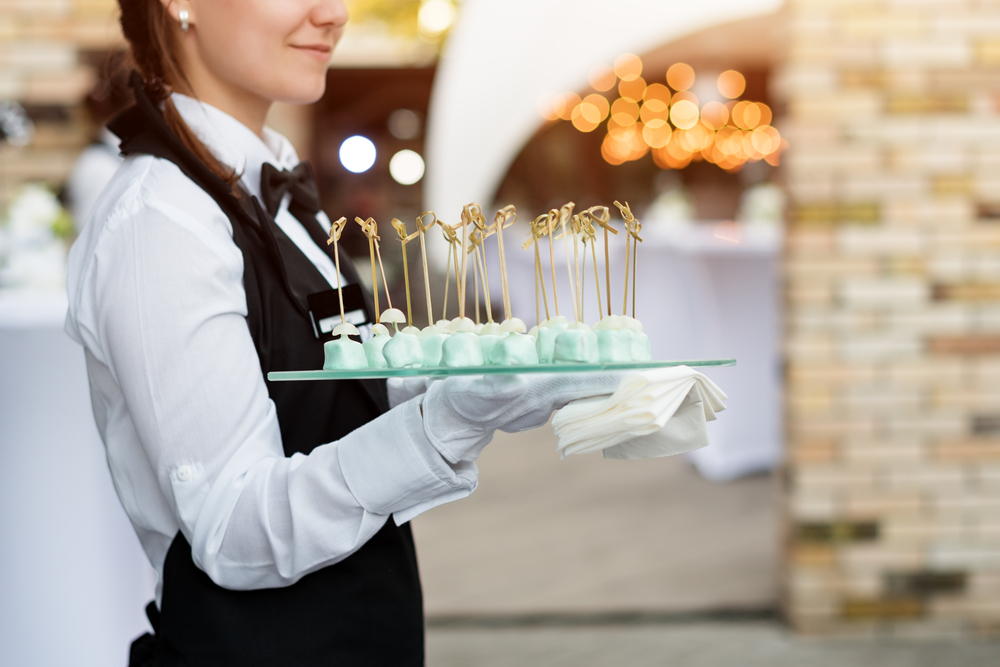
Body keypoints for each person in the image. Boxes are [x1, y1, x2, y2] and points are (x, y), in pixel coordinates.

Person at [64, 1, 619, 665]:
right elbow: (236, 526)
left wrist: (456, 383)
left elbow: (316, 401)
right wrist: (437, 427)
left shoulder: (268, 191)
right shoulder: (162, 221)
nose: (333, 13)